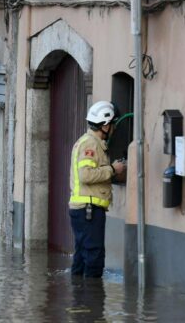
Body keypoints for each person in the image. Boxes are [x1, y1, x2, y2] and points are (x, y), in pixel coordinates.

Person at [68, 100, 126, 278]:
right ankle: (92, 300)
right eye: (113, 124)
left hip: (85, 209)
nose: (114, 128)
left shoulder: (87, 142)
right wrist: (112, 170)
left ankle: (79, 300)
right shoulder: (90, 145)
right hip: (89, 210)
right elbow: (86, 175)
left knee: (81, 256)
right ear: (105, 125)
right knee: (94, 256)